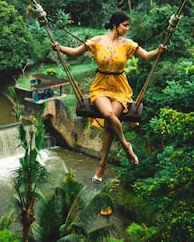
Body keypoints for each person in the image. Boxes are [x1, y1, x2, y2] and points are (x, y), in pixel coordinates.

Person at [51, 10, 166, 183]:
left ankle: (101, 166)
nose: (127, 29)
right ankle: (126, 146)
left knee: (109, 124)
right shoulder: (97, 41)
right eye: (125, 25)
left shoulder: (128, 44)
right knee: (109, 115)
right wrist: (60, 48)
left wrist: (158, 50)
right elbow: (75, 52)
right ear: (115, 25)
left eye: (128, 26)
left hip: (120, 89)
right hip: (100, 87)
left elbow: (148, 56)